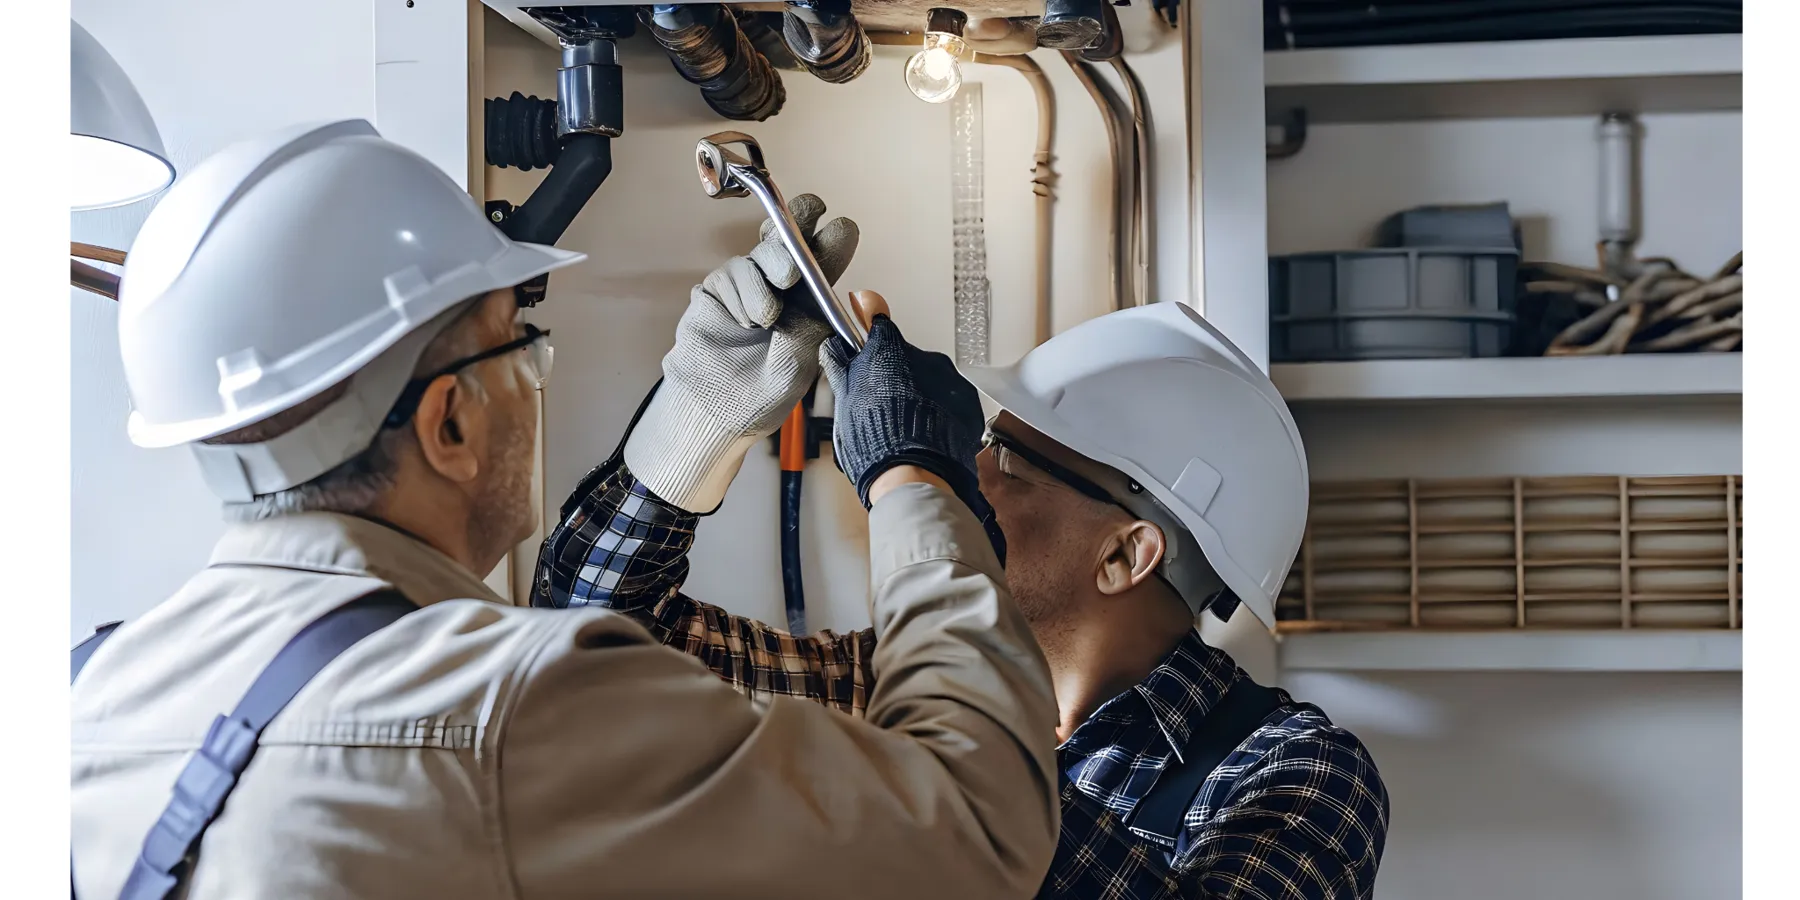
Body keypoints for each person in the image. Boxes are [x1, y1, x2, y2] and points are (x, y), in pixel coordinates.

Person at [69, 119, 1062, 899]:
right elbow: (976, 828)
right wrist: (912, 476)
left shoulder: (81, 700)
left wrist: (698, 423)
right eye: (519, 344)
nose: (535, 378)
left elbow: (588, 629)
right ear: (449, 423)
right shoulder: (502, 710)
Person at [537, 299, 1392, 899]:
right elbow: (582, 661)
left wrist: (915, 477)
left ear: (1127, 554)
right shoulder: (887, 683)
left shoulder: (1295, 774)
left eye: (1010, 462)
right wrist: (696, 425)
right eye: (980, 446)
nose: (972, 472)